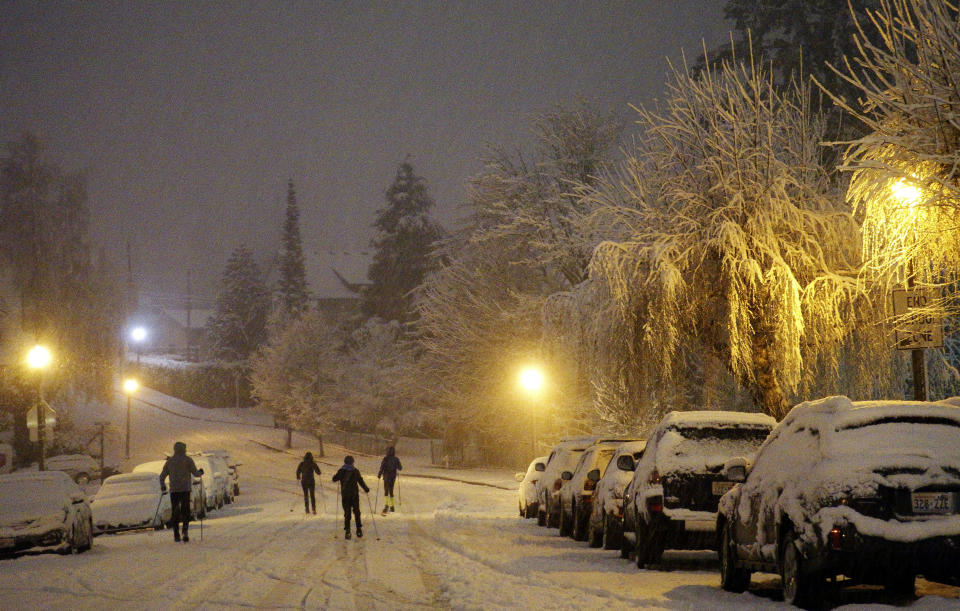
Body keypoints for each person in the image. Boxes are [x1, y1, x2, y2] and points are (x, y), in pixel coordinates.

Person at [159, 441, 203, 542]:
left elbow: (161, 477)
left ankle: (176, 534)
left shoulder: (170, 462)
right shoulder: (187, 460)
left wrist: (163, 486)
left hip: (174, 490)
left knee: (175, 512)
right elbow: (196, 474)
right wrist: (200, 472)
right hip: (185, 489)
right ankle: (185, 531)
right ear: (184, 449)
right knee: (185, 511)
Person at [332, 455, 369, 539]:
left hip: (345, 495)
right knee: (356, 512)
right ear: (352, 462)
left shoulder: (341, 471)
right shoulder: (355, 471)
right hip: (354, 495)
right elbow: (360, 481)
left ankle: (348, 531)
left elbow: (334, 479)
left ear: (345, 462)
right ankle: (358, 530)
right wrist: (366, 489)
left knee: (347, 513)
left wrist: (336, 476)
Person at [377, 446, 402, 515]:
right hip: (393, 477)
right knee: (391, 490)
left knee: (386, 490)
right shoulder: (396, 459)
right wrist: (396, 466)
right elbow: (400, 468)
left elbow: (382, 467)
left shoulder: (385, 459)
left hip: (386, 476)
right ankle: (392, 506)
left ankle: (386, 505)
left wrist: (379, 474)